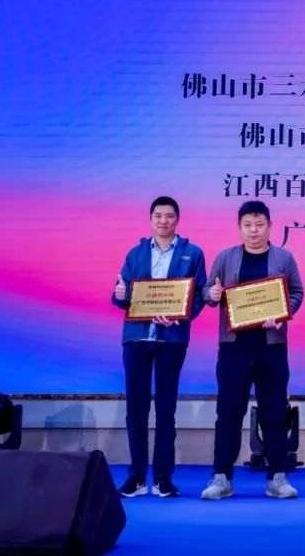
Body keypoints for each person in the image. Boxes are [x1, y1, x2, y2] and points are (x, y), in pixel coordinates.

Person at [200, 200, 305, 500]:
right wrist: (213, 294)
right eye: (248, 225)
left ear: (270, 226)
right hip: (234, 347)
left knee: (275, 411)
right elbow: (206, 291)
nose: (254, 231)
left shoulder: (284, 257)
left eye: (259, 225)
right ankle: (222, 477)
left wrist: (283, 313)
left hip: (271, 346)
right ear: (239, 227)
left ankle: (277, 478)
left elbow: (297, 292)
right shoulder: (226, 257)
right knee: (228, 411)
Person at [111, 196, 206, 499]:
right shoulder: (135, 253)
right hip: (137, 339)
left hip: (171, 340)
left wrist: (181, 315)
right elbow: (121, 294)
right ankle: (137, 477)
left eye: (169, 216)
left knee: (166, 410)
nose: (163, 221)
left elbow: (199, 296)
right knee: (136, 410)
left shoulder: (193, 253)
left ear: (178, 219)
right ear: (150, 219)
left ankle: (163, 478)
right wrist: (120, 294)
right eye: (158, 216)